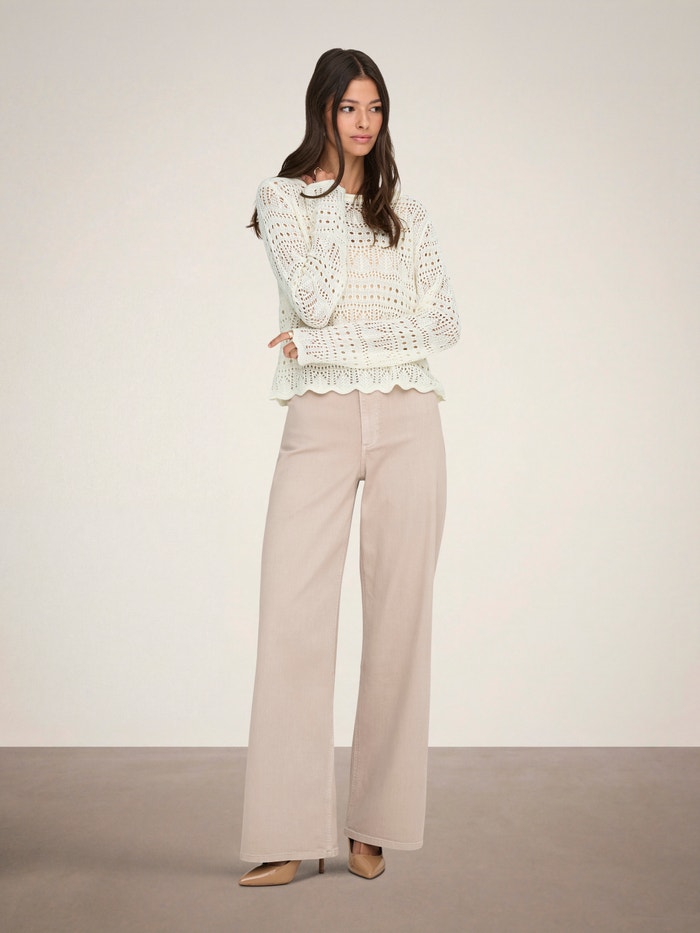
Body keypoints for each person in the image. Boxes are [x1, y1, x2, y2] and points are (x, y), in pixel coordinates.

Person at [238, 48, 460, 887]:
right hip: (321, 421)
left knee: (401, 621)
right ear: (322, 112)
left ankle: (376, 822)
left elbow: (443, 324)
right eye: (348, 108)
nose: (364, 123)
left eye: (375, 108)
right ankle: (287, 831)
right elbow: (315, 297)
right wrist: (334, 200)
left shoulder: (409, 212)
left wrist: (325, 343)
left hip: (409, 417)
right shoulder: (282, 200)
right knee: (292, 617)